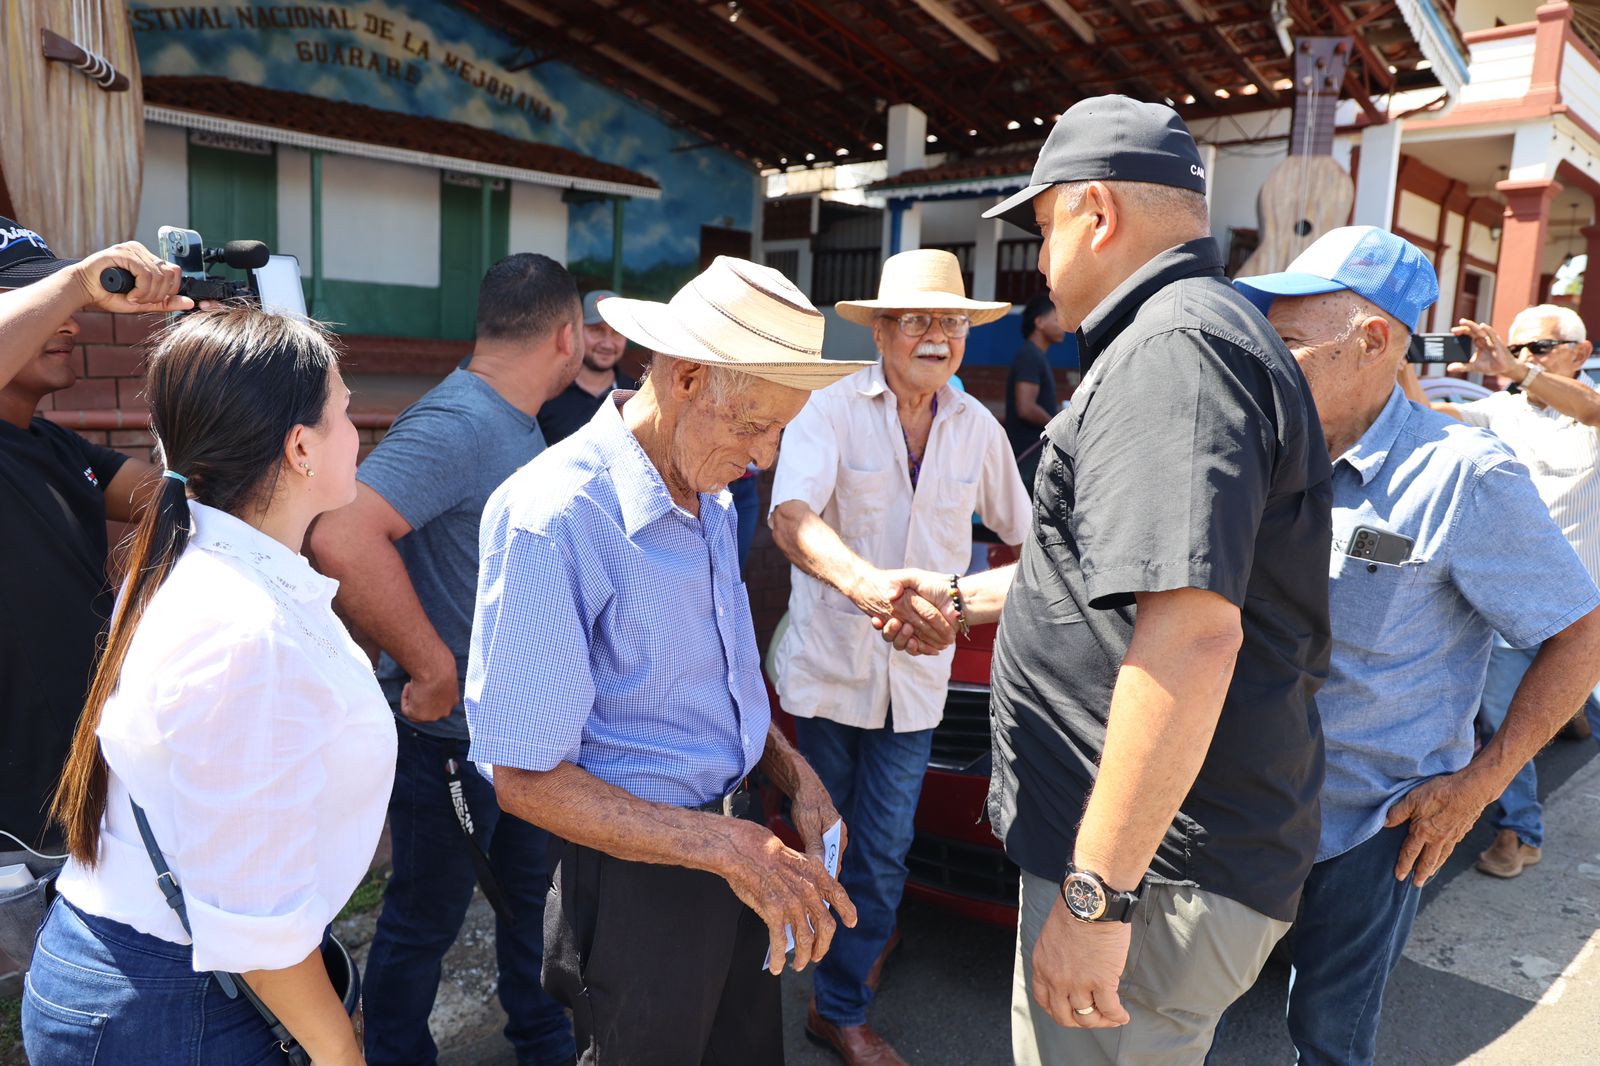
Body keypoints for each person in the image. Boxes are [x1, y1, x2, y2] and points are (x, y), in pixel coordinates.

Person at [879, 96, 1331, 1064]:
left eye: (1043, 230)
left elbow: (1192, 634)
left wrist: (1096, 894)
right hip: (1154, 860)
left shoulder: (1172, 354)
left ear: (1096, 212)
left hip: (1153, 872)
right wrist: (960, 599)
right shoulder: (1184, 338)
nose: (1040, 260)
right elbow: (1101, 575)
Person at [465, 257, 880, 1065]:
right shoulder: (554, 517)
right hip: (637, 881)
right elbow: (521, 778)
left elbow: (713, 680)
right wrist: (722, 847)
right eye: (754, 425)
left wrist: (793, 774)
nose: (762, 455)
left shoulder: (711, 493)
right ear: (686, 377)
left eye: (781, 430)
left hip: (735, 850)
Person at [1225, 228, 1600, 1065]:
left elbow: (1580, 635)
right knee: (1190, 1027)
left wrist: (1480, 786)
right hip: (1240, 810)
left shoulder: (1463, 476)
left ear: (1372, 341)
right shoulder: (1267, 453)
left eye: (1287, 343)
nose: (1269, 362)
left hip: (1369, 826)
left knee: (1326, 1041)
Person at [23, 306, 394, 1066]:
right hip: (174, 1004)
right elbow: (252, 917)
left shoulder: (201, 563)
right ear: (300, 448)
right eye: (346, 413)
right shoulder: (245, 631)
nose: (357, 433)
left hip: (162, 981)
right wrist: (339, 1051)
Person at [309, 253, 581, 1066]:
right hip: (449, 743)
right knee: (425, 918)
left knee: (530, 899)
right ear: (567, 338)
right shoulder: (460, 421)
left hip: (512, 735)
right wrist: (431, 667)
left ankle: (540, 1036)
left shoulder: (513, 416)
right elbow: (342, 534)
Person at [767, 247, 1030, 1065]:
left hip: (916, 686)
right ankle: (822, 973)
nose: (935, 336)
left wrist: (965, 603)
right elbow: (790, 516)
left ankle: (839, 1007)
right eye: (916, 319)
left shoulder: (976, 426)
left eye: (950, 322)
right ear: (880, 330)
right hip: (828, 675)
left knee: (882, 852)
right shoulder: (831, 409)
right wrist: (869, 586)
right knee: (825, 845)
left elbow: (1034, 544)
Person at [0, 219, 190, 851]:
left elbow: (177, 496)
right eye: (37, 298)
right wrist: (80, 281)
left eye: (65, 300)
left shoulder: (52, 445)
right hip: (11, 845)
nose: (71, 322)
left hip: (79, 815)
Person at [1402, 303, 1600, 878]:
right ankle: (1521, 829)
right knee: (1507, 716)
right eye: (1514, 350)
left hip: (1583, 607)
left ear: (1580, 353)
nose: (1519, 359)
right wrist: (1400, 362)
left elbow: (1590, 408)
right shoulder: (1503, 409)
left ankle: (1573, 714)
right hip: (1516, 604)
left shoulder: (1585, 407)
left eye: (1535, 348)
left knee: (1554, 700)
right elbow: (1428, 418)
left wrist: (1517, 372)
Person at [536, 289, 636, 445]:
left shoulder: (636, 395)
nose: (607, 343)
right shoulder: (547, 393)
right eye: (597, 331)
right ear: (576, 332)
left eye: (616, 332)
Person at [1004, 292, 1067, 488]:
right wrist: (1056, 426)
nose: (1062, 324)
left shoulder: (1035, 355)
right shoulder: (1030, 356)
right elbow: (1026, 407)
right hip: (1026, 454)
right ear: (1039, 322)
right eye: (1056, 318)